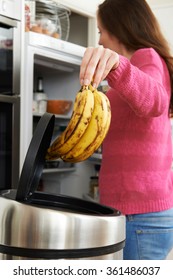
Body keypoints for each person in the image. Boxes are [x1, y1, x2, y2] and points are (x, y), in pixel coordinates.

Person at [80, 0, 173, 260]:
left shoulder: (147, 56)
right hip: (133, 213)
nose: (99, 41)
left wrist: (117, 65)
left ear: (118, 26)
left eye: (100, 30)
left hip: (140, 215)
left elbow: (156, 100)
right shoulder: (138, 66)